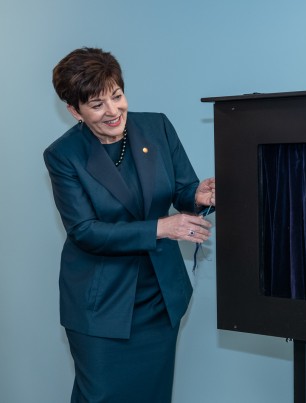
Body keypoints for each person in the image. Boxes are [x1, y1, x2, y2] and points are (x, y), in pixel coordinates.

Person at [44, 47, 215, 402]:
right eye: (97, 104)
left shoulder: (157, 127)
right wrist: (162, 228)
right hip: (101, 304)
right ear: (74, 111)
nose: (113, 111)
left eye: (117, 96)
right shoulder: (63, 155)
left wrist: (197, 195)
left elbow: (181, 189)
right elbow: (85, 231)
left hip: (159, 298)